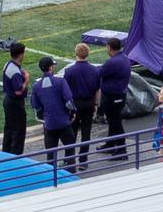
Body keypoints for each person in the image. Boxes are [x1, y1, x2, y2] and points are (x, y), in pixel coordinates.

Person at [60, 44, 100, 172]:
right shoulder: (95, 70)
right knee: (86, 133)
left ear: (75, 53)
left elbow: (65, 93)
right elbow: (97, 90)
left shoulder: (69, 71)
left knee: (71, 133)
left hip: (75, 105)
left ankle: (69, 159)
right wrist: (96, 105)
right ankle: (83, 160)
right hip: (89, 103)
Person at [32, 53, 77, 165]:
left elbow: (35, 105)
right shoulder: (60, 82)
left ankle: (52, 177)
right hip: (64, 123)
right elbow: (69, 102)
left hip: (49, 124)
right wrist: (73, 112)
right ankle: (70, 171)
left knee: (51, 155)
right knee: (70, 149)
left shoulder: (36, 86)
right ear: (51, 67)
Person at [95, 34, 132, 158]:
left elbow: (99, 73)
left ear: (110, 48)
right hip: (119, 95)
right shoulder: (124, 58)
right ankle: (110, 144)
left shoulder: (112, 62)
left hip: (113, 97)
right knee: (113, 121)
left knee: (116, 123)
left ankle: (122, 151)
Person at [0, 41, 30, 154]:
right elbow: (18, 91)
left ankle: (6, 153)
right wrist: (26, 79)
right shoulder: (16, 72)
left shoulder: (8, 64)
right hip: (15, 102)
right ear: (20, 54)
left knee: (9, 128)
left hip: (8, 101)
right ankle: (16, 156)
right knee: (19, 130)